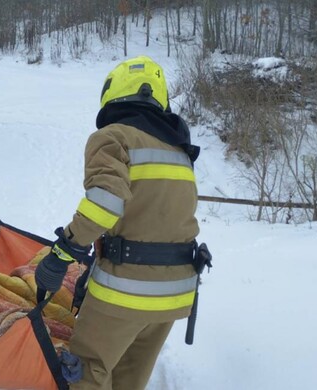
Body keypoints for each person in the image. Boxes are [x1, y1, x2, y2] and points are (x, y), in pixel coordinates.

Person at [34, 56, 205, 390]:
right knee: (129, 378)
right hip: (176, 292)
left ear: (112, 93)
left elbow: (105, 202)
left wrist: (63, 251)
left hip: (126, 289)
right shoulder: (179, 151)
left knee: (87, 372)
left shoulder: (113, 137)